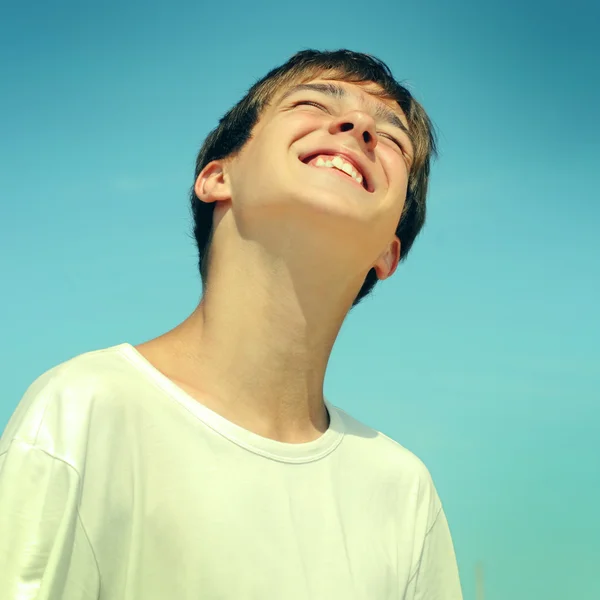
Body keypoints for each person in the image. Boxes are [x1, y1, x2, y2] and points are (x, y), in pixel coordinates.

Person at [0, 49, 463, 599]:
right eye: (314, 103)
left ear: (389, 252)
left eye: (391, 139)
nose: (359, 126)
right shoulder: (86, 410)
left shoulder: (401, 491)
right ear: (219, 176)